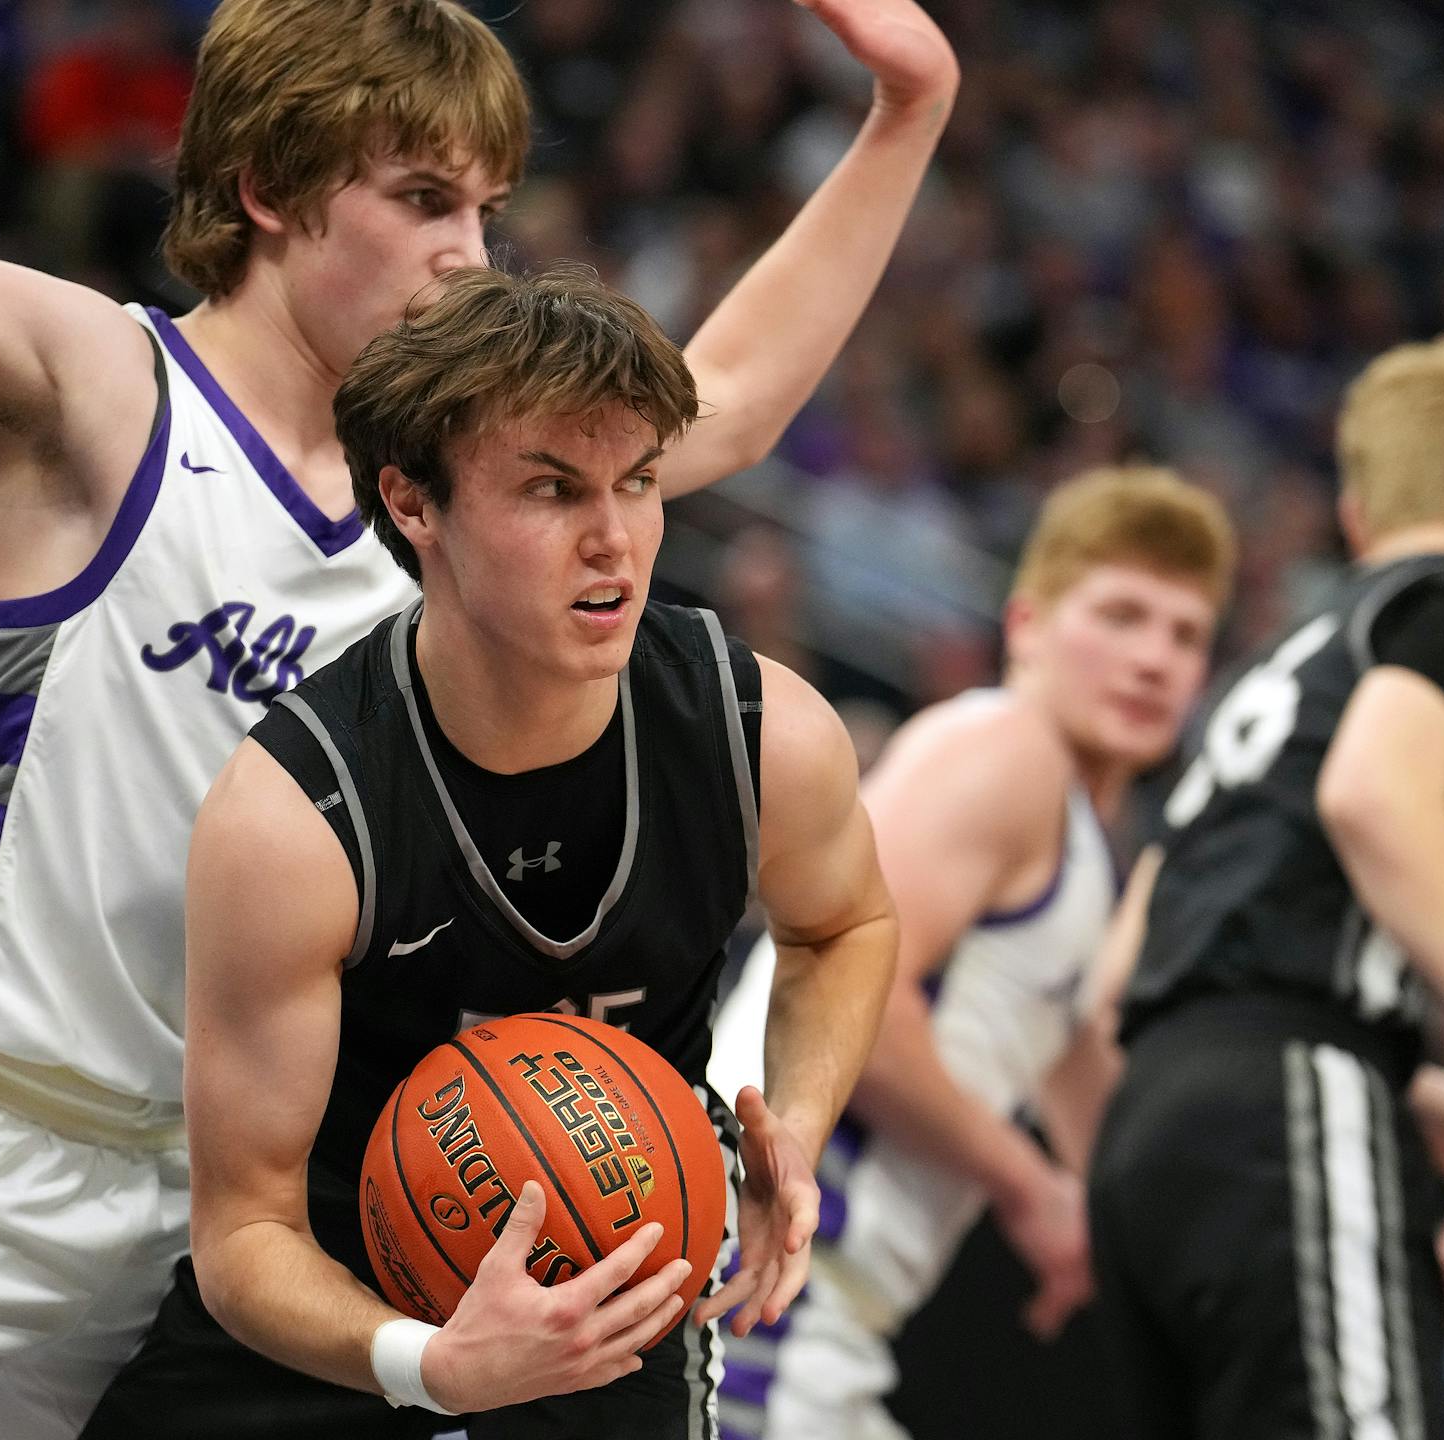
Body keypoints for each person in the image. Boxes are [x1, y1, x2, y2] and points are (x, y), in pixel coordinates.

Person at [0, 0, 958, 1432]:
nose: (467, 253)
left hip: (235, 1200)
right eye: (421, 200)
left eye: (485, 211)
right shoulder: (100, 387)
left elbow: (734, 400)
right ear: (269, 188)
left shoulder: (470, 486)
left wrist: (905, 111)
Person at [85, 266, 896, 1437]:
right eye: (553, 490)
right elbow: (245, 1234)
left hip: (617, 1273)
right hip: (341, 1282)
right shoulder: (296, 815)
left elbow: (846, 924)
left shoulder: (763, 733)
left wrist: (796, 1138)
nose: (615, 540)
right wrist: (432, 1364)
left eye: (639, 482)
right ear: (414, 504)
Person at [1088, 330, 1444, 1440]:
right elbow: (1375, 795)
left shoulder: (1281, 663)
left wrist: (1407, 1090)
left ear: (1358, 516)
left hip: (1149, 1130)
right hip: (1286, 1093)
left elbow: (1123, 975)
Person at [705, 467, 1236, 1440]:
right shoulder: (1007, 752)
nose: (1154, 660)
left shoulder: (1082, 847)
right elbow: (848, 1001)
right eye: (1122, 616)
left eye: (1185, 635)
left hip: (806, 1299)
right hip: (765, 1273)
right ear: (1025, 624)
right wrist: (1028, 1189)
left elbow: (1104, 1139)